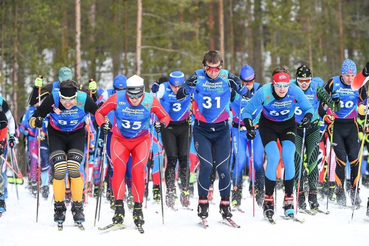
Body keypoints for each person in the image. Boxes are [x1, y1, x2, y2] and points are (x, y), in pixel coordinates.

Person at [176, 50, 250, 221]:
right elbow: (180, 95)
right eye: (210, 69)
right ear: (205, 66)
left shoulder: (228, 77)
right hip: (202, 129)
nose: (213, 72)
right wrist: (188, 89)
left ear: (221, 67)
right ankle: (203, 204)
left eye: (217, 69)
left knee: (224, 168)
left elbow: (247, 93)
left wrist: (243, 90)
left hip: (222, 129)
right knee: (207, 166)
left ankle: (225, 205)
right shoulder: (197, 76)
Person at [95, 75, 170, 228]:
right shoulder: (117, 98)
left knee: (137, 171)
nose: (135, 99)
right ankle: (118, 208)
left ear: (143, 91)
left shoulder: (150, 100)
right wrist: (103, 125)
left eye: (138, 95)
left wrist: (161, 125)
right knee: (118, 170)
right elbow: (99, 113)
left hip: (141, 141)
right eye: (131, 95)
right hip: (119, 140)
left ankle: (137, 208)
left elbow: (165, 116)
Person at [242, 65, 313, 219]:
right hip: (268, 125)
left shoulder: (294, 91)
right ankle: (268, 200)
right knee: (273, 157)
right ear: (273, 83)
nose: (282, 89)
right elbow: (247, 111)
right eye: (279, 85)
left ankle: (288, 199)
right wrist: (249, 127)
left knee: (288, 157)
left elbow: (309, 109)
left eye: (285, 85)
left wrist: (307, 118)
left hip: (288, 125)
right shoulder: (264, 92)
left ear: (289, 84)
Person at [29, 80, 98, 225]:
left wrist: (104, 124)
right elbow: (33, 118)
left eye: (71, 99)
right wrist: (37, 122)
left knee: (74, 168)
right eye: (64, 99)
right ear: (59, 95)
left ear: (76, 96)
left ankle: (78, 207)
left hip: (76, 135)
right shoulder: (52, 99)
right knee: (60, 169)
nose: (67, 103)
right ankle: (59, 207)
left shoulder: (84, 99)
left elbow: (98, 113)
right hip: (56, 135)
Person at [292, 65, 340, 212]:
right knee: (297, 159)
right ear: (296, 79)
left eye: (307, 80)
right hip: (295, 128)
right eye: (301, 80)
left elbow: (334, 107)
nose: (304, 83)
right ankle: (299, 195)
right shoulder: (290, 87)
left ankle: (313, 196)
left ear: (311, 79)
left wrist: (336, 101)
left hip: (312, 128)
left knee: (313, 159)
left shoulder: (316, 88)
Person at [320, 59, 366, 207]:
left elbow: (363, 104)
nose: (350, 79)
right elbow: (320, 104)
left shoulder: (358, 85)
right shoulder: (333, 83)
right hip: (336, 125)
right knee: (341, 159)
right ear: (342, 74)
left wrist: (365, 111)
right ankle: (340, 192)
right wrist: (325, 116)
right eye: (347, 76)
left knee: (354, 159)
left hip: (352, 125)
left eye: (352, 76)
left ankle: (354, 191)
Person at [151, 71, 192, 208]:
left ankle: (185, 190)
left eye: (178, 86)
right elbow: (152, 100)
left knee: (184, 158)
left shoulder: (188, 88)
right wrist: (153, 92)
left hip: (184, 125)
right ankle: (170, 190)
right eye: (173, 86)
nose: (176, 89)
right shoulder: (163, 88)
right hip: (168, 126)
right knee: (172, 158)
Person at [230, 64, 264, 208]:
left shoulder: (260, 89)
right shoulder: (235, 90)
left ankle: (261, 192)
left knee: (257, 162)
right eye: (243, 83)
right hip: (239, 130)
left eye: (249, 83)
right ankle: (236, 193)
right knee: (241, 161)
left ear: (253, 80)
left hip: (256, 131)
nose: (246, 86)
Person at [28, 67, 99, 106]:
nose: (66, 85)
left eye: (68, 82)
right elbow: (33, 101)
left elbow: (93, 100)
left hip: (75, 122)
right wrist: (36, 88)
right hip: (56, 123)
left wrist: (93, 91)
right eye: (63, 82)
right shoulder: (52, 87)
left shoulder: (78, 87)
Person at [0, 95, 17, 214]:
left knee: (0, 169)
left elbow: (9, 121)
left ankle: (1, 198)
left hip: (1, 137)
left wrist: (11, 137)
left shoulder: (2, 103)